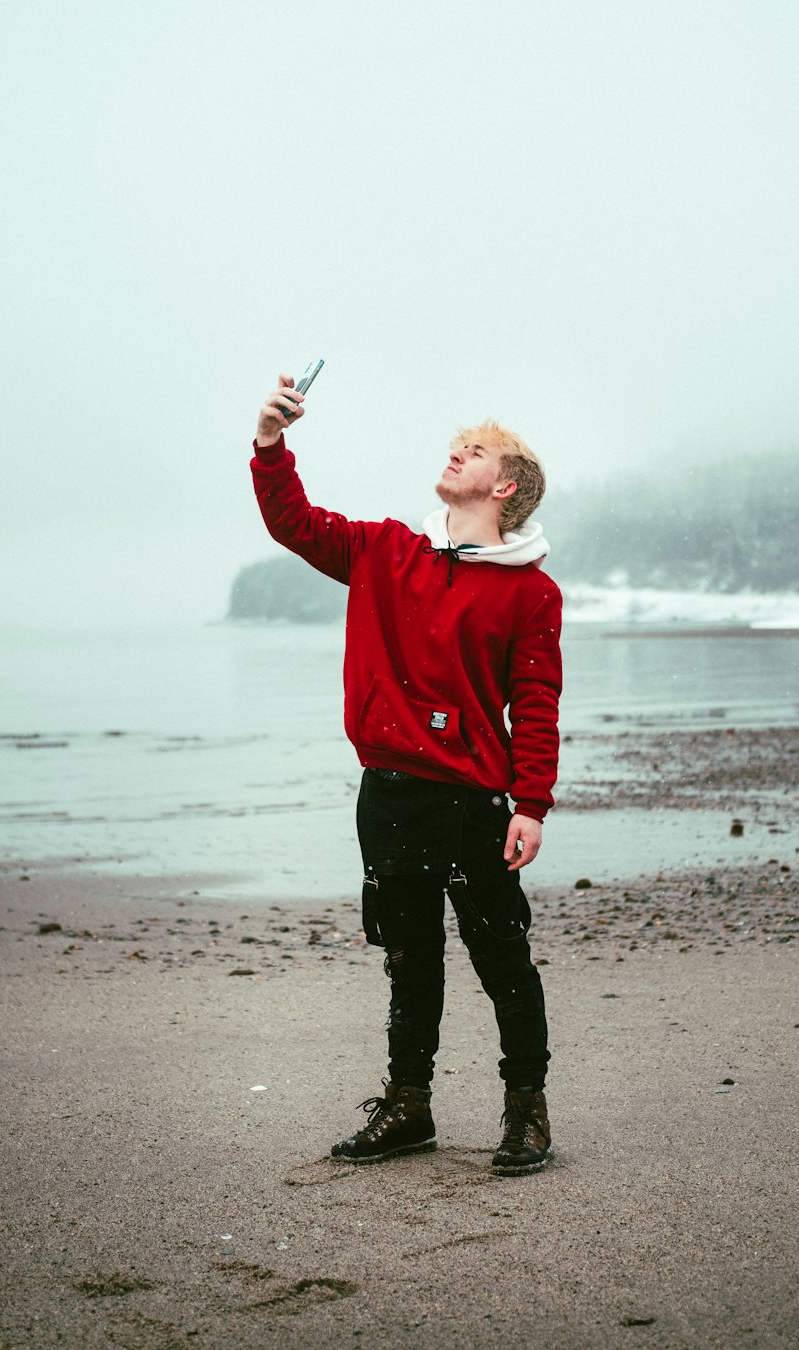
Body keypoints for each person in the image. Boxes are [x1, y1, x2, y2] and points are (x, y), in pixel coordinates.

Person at [250, 372, 562, 1175]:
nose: (458, 451)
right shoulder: (385, 549)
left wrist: (530, 804)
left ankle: (527, 1110)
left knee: (502, 956)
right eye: (457, 443)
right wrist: (270, 443)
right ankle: (408, 1106)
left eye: (477, 449)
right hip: (389, 794)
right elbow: (293, 523)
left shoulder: (531, 592)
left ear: (506, 484)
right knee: (409, 959)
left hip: (475, 803)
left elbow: (535, 703)